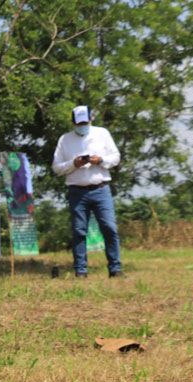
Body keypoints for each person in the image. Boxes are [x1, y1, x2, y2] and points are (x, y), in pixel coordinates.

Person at [52, 105, 123, 278]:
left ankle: (115, 269)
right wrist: (73, 164)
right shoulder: (65, 139)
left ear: (91, 119)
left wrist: (101, 160)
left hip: (101, 189)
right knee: (79, 231)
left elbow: (116, 157)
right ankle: (81, 270)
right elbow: (56, 167)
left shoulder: (102, 133)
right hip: (77, 191)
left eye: (85, 122)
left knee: (109, 228)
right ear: (73, 122)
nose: (82, 125)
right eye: (79, 123)